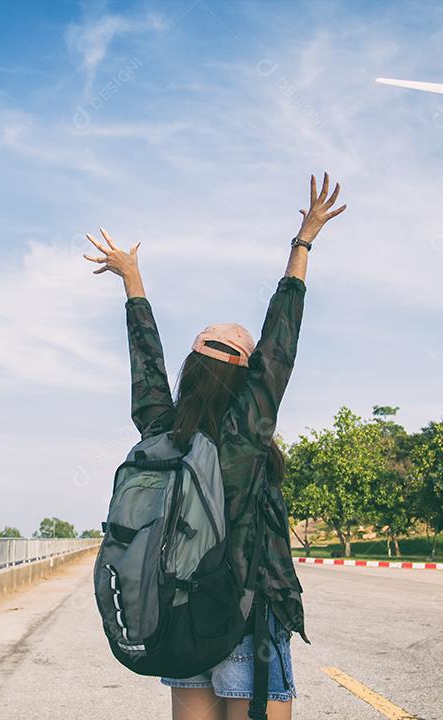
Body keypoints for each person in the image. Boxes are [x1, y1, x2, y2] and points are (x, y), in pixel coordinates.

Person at [83, 174, 346, 720]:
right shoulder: (245, 436)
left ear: (192, 371)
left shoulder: (160, 430)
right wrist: (303, 243)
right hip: (247, 610)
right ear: (248, 378)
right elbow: (282, 340)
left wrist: (132, 280)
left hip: (178, 608)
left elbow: (145, 365)